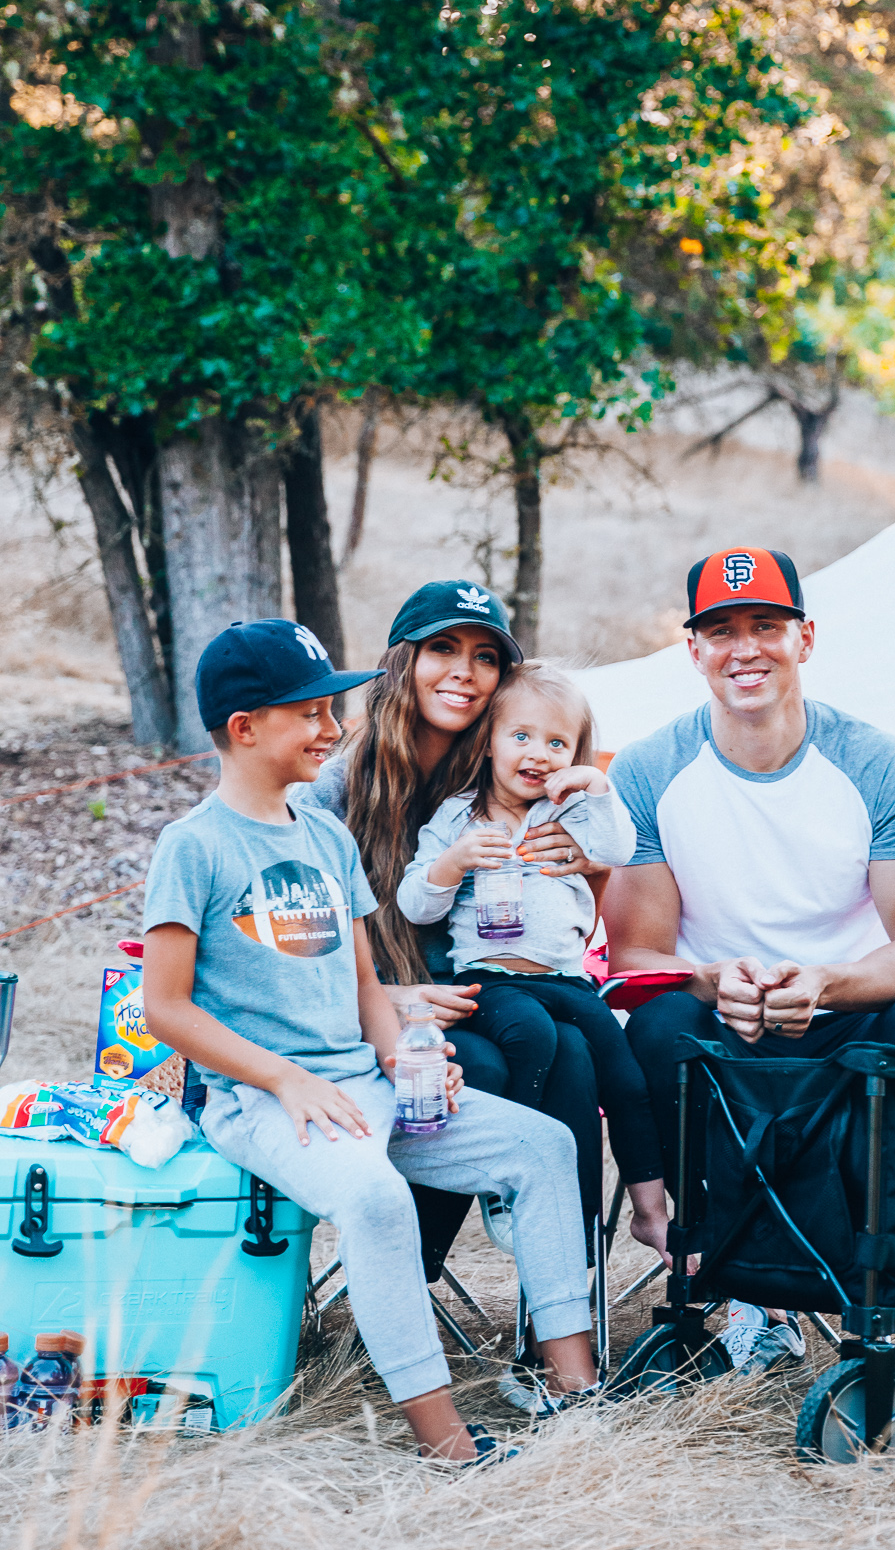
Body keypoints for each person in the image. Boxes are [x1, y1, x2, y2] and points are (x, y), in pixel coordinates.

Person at [141, 620, 599, 1464]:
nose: (332, 728)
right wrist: (284, 1080)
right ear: (244, 727)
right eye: (310, 713)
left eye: (332, 709)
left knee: (544, 1147)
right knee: (378, 1201)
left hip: (366, 1080)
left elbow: (360, 986)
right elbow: (165, 1007)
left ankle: (579, 1398)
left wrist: (403, 1056)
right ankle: (447, 1443)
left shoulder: (324, 837)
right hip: (259, 1099)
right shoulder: (193, 846)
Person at [603, 546, 895, 1379]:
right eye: (721, 630)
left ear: (804, 639)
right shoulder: (647, 769)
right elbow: (635, 953)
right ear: (692, 649)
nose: (745, 648)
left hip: (848, 1012)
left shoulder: (873, 761)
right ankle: (748, 1295)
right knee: (660, 1022)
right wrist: (716, 981)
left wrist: (826, 984)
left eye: (765, 627)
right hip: (723, 1018)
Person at [291, 581, 607, 1265]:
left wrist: (589, 864)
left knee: (574, 1053)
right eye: (443, 648)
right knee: (483, 1064)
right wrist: (391, 999)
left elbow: (572, 918)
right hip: (371, 1005)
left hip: (479, 989)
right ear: (403, 660)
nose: (464, 670)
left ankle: (564, 1286)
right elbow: (295, 946)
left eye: (485, 656)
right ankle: (407, 1267)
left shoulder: (511, 777)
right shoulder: (337, 786)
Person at [396, 660, 671, 1259]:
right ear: (488, 739)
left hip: (567, 979)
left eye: (556, 743)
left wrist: (596, 787)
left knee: (624, 1075)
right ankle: (506, 1184)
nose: (537, 753)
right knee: (531, 1036)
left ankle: (650, 1213)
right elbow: (415, 904)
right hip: (491, 980)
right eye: (519, 736)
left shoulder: (567, 815)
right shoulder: (457, 818)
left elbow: (619, 848)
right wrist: (454, 863)